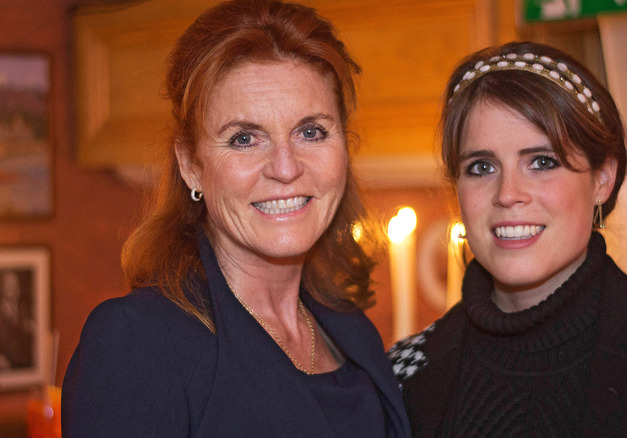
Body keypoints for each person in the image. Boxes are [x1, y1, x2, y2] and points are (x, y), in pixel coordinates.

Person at [388, 41, 627, 437]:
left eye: (542, 162)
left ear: (602, 180)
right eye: (482, 166)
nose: (508, 193)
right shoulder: (396, 379)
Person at [63, 1, 411, 436]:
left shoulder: (353, 332)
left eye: (311, 132)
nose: (285, 168)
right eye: (244, 138)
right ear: (191, 165)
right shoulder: (138, 343)